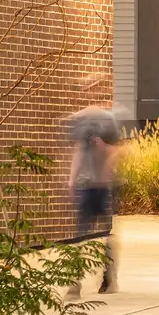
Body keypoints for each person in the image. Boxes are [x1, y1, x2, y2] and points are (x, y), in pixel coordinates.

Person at [66, 105, 122, 295]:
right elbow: (79, 153)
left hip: (104, 187)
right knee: (81, 235)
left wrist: (104, 148)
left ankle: (108, 278)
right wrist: (72, 180)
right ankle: (75, 282)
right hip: (87, 187)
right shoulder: (81, 125)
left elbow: (119, 151)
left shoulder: (108, 123)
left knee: (106, 236)